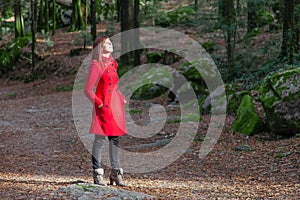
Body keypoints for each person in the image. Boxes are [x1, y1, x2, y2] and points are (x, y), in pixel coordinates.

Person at [84, 36, 127, 186]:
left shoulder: (113, 63)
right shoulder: (96, 65)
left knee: (115, 140)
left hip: (115, 107)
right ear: (100, 48)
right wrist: (99, 103)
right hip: (103, 109)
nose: (111, 44)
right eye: (107, 43)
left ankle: (116, 174)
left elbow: (114, 85)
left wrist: (121, 97)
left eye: (110, 42)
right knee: (100, 141)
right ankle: (97, 174)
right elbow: (88, 90)